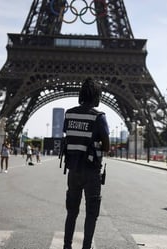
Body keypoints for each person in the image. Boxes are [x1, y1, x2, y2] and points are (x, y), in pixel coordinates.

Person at [62, 77, 110, 249]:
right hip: (91, 171)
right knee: (91, 213)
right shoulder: (99, 117)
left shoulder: (69, 113)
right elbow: (106, 146)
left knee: (72, 212)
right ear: (96, 96)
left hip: (73, 170)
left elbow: (69, 138)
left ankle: (67, 246)